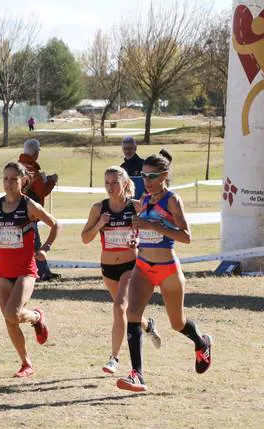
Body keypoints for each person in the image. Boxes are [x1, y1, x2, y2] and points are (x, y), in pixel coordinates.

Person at [117, 150, 213, 392]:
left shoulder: (172, 200)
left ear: (164, 176)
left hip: (168, 268)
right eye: (143, 176)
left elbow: (186, 237)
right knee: (132, 314)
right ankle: (137, 375)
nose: (146, 182)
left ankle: (201, 343)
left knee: (177, 323)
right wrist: (136, 239)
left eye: (151, 177)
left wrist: (153, 225)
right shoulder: (146, 200)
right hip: (143, 266)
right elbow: (147, 233)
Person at [0, 162, 59, 377]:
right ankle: (26, 363)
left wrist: (46, 247)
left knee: (13, 313)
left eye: (13, 179)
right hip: (3, 269)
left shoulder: (29, 205)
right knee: (9, 318)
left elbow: (55, 225)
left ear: (23, 180)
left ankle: (37, 317)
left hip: (25, 268)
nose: (9, 183)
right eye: (5, 179)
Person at [80, 166, 162, 375]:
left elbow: (155, 233)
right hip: (108, 269)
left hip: (131, 267)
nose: (110, 187)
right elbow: (85, 238)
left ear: (125, 184)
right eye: (107, 182)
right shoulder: (99, 208)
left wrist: (139, 235)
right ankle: (147, 325)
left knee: (119, 307)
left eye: (115, 182)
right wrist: (100, 223)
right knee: (124, 310)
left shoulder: (136, 206)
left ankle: (114, 359)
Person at [19, 139, 59, 281]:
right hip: (30, 211)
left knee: (29, 242)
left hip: (18, 210)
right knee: (34, 243)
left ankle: (42, 271)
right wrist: (52, 181)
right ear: (35, 153)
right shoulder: (32, 170)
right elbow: (41, 192)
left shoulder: (20, 166)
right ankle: (43, 272)